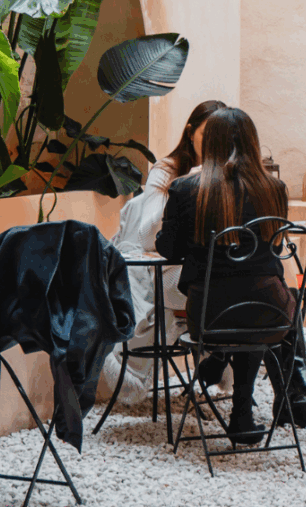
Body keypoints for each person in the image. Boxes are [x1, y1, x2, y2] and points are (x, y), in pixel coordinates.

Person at [155, 107, 306, 444]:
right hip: (268, 314)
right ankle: (275, 394)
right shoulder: (274, 188)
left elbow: (168, 250)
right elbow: (273, 249)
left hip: (209, 315)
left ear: (210, 144)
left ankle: (225, 375)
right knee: (265, 299)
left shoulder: (185, 189)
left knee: (244, 302)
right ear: (252, 143)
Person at [104, 99, 227, 400]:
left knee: (254, 283)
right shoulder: (168, 171)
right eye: (206, 135)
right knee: (224, 292)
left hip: (211, 269)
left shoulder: (227, 173)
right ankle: (217, 356)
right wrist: (186, 189)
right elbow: (149, 237)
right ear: (190, 132)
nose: (213, 144)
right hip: (172, 272)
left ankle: (225, 359)